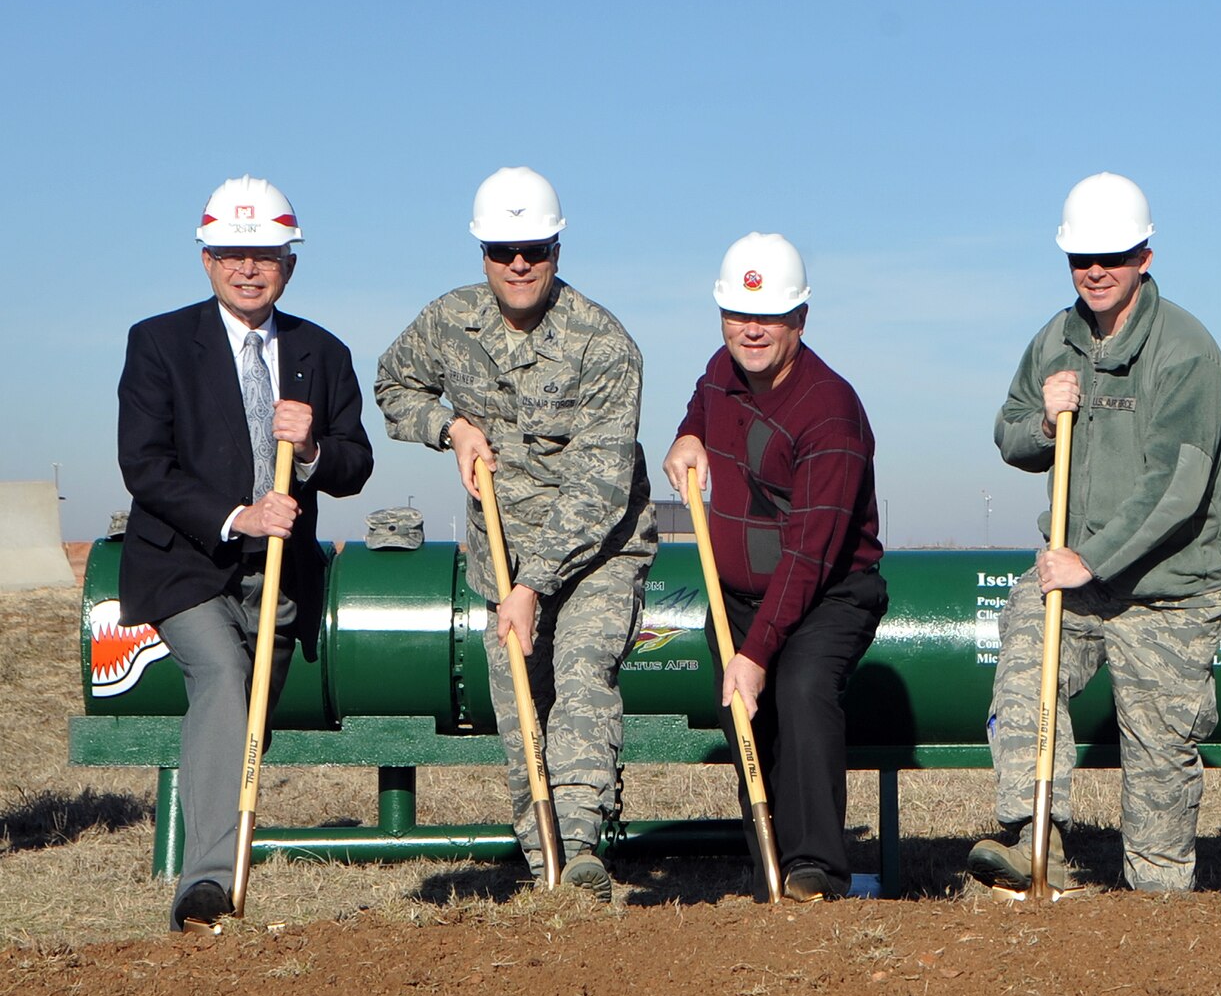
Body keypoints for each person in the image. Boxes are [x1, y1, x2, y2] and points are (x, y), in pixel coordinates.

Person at [375, 167, 655, 902]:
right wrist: (451, 427)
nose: (519, 264)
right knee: (518, 703)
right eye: (503, 250)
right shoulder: (446, 322)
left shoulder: (605, 345)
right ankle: (546, 863)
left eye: (533, 248)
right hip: (500, 549)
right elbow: (393, 385)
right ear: (483, 255)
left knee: (583, 670)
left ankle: (583, 850)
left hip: (597, 550)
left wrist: (532, 585)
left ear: (558, 249)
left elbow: (598, 488)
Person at [118, 176, 374, 932]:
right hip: (184, 563)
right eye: (232, 253)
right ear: (206, 260)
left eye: (264, 254)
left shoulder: (321, 352)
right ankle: (205, 888)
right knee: (226, 676)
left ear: (288, 263)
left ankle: (221, 855)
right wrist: (239, 515)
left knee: (250, 706)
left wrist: (317, 449)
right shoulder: (159, 343)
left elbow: (356, 464)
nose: (248, 268)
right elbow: (146, 465)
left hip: (281, 578)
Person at [969, 172, 1221, 894]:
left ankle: (1157, 903)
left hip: (1167, 590)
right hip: (1071, 577)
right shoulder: (1054, 338)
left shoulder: (1187, 352)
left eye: (1111, 257)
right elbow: (1011, 435)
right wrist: (1039, 419)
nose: (1094, 272)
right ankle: (1033, 835)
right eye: (1081, 259)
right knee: (1028, 663)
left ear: (1145, 256)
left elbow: (1176, 487)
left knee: (1158, 762)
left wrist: (1091, 558)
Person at [663, 233, 888, 903]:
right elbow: (705, 400)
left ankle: (817, 869)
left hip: (829, 592)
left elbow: (809, 552)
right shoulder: (722, 368)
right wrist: (687, 434)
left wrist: (757, 652)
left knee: (799, 690)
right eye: (737, 314)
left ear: (800, 319)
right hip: (734, 591)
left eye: (768, 316)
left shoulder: (830, 412)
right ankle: (772, 861)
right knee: (748, 720)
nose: (750, 329)